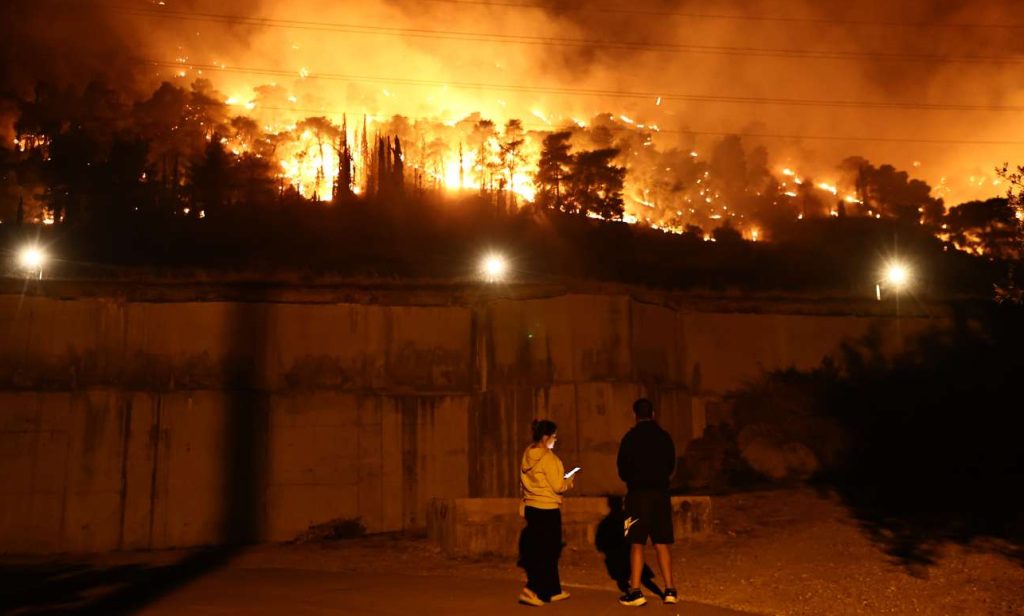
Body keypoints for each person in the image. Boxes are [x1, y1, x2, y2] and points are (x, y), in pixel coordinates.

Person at [616, 398, 678, 606]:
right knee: (662, 543)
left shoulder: (629, 438)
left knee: (636, 543)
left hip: (637, 496)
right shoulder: (664, 437)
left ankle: (635, 591)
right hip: (660, 494)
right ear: (653, 413)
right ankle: (670, 590)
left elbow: (622, 470)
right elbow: (671, 465)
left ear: (635, 415)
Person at [518, 419, 575, 606]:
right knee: (547, 551)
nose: (555, 440)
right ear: (545, 437)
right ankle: (531, 589)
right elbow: (558, 486)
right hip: (548, 508)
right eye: (554, 437)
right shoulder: (549, 458)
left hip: (532, 507)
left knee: (543, 549)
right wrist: (569, 479)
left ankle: (552, 590)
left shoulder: (528, 453)